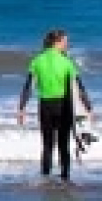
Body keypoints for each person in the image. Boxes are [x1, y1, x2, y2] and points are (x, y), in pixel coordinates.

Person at [17, 29, 94, 182]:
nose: (67, 44)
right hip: (64, 105)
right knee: (63, 144)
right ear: (57, 42)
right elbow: (79, 87)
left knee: (47, 145)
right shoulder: (67, 62)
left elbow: (28, 87)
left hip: (45, 106)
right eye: (65, 41)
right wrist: (89, 109)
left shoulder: (37, 60)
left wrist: (21, 108)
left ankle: (45, 177)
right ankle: (65, 178)